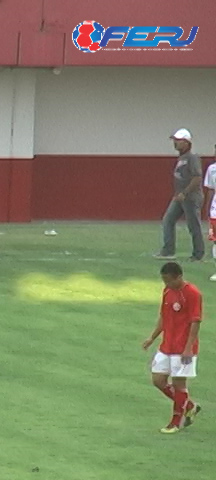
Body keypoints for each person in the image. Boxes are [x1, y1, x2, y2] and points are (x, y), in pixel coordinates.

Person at [142, 262, 202, 434]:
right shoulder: (168, 291)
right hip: (167, 345)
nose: (165, 284)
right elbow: (163, 316)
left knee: (179, 383)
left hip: (183, 348)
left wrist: (189, 348)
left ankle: (176, 422)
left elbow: (195, 321)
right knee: (158, 380)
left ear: (179, 277)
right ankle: (189, 405)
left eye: (168, 280)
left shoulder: (192, 293)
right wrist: (152, 338)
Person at [155, 129, 204, 261]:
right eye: (175, 141)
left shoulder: (192, 157)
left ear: (187, 143)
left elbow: (197, 177)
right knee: (168, 220)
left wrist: (185, 192)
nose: (175, 143)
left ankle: (198, 254)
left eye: (178, 141)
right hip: (179, 196)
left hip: (190, 197)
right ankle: (168, 250)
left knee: (193, 225)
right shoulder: (181, 158)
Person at [203, 148, 216, 280]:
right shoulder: (212, 169)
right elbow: (211, 190)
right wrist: (207, 208)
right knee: (215, 241)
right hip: (215, 211)